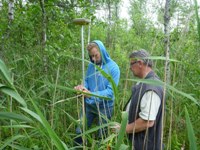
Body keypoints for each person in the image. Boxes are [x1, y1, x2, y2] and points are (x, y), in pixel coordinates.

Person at [115, 49, 164, 150]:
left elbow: (147, 121)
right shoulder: (145, 83)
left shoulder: (151, 86)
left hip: (146, 145)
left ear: (140, 63)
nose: (130, 68)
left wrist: (123, 129)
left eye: (131, 64)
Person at [74, 40, 120, 145]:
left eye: (96, 55)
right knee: (79, 131)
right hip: (89, 104)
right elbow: (86, 80)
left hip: (105, 107)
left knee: (102, 135)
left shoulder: (114, 68)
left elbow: (110, 92)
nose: (93, 59)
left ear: (102, 52)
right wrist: (82, 88)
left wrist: (90, 94)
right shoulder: (91, 65)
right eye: (91, 56)